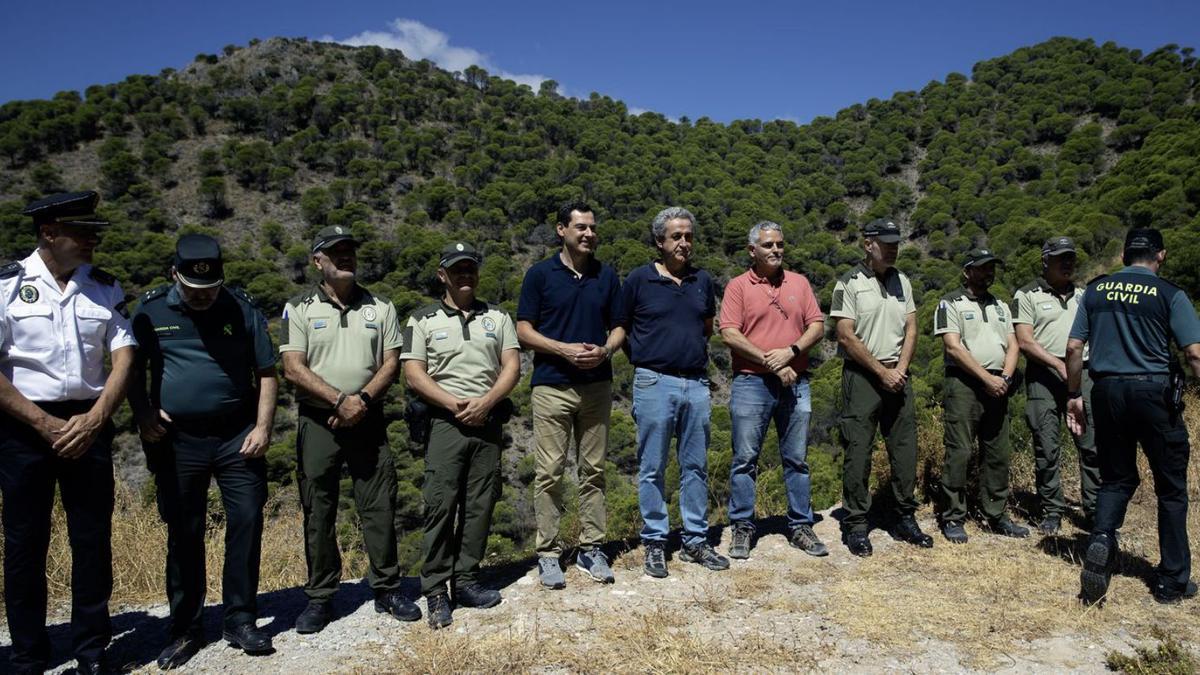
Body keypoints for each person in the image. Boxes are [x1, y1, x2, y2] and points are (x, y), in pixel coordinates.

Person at [0, 191, 135, 674]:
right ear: (48, 233)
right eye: (82, 232)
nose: (92, 240)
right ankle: (28, 654)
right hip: (22, 426)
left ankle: (92, 652)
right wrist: (40, 421)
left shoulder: (103, 286)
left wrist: (97, 418)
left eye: (94, 231)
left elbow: (124, 356)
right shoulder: (7, 285)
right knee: (24, 543)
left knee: (92, 540)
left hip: (88, 421)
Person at [129, 234, 277, 665]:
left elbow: (266, 373)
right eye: (194, 290)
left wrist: (264, 427)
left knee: (246, 522)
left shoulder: (241, 306)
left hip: (238, 434)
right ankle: (185, 628)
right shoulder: (151, 309)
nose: (203, 297)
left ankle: (240, 619)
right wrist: (143, 414)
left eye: (211, 289)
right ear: (175, 275)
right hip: (178, 439)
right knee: (184, 531)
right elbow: (130, 370)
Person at [280, 225, 419, 633]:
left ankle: (388, 589)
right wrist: (340, 401)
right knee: (318, 509)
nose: (345, 257)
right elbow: (292, 366)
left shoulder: (382, 307)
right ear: (317, 260)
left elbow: (391, 362)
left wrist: (361, 402)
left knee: (379, 505)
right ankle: (321, 598)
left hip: (368, 417)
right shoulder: (300, 307)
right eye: (335, 252)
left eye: (349, 251)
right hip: (319, 419)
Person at [1068, 228, 1200, 605]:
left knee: (1116, 478)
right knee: (1171, 487)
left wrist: (1075, 394)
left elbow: (1075, 346)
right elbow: (1193, 354)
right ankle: (1172, 581)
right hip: (1153, 392)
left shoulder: (1096, 290)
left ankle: (1102, 542)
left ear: (1125, 255)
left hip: (1106, 391)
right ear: (1161, 255)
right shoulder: (1170, 293)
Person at [401, 242, 520, 629]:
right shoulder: (422, 319)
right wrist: (455, 404)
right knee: (440, 504)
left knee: (480, 504)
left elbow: (511, 367)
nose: (464, 276)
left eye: (470, 269)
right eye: (457, 270)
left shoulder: (498, 317)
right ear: (442, 275)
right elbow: (414, 373)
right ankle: (436, 589)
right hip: (445, 422)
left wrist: (486, 402)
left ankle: (466, 580)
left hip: (487, 420)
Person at [616, 206, 728, 578]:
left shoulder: (701, 281)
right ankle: (655, 542)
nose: (684, 243)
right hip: (653, 381)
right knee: (652, 467)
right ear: (659, 241)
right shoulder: (638, 280)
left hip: (695, 383)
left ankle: (695, 540)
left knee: (694, 465)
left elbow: (706, 327)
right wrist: (647, 360)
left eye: (689, 236)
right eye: (676, 236)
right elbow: (622, 328)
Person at [516, 202, 624, 589]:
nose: (589, 234)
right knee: (550, 473)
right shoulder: (540, 275)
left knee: (593, 470)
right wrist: (562, 349)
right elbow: (523, 330)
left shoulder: (607, 276)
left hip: (597, 386)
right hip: (552, 385)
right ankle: (548, 553)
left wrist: (606, 351)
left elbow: (619, 327)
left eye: (593, 227)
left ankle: (592, 548)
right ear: (561, 230)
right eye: (581, 227)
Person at [719, 221, 827, 559]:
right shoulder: (738, 287)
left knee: (796, 459)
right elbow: (729, 333)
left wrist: (791, 353)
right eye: (768, 245)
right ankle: (742, 527)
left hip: (796, 382)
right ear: (753, 250)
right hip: (751, 382)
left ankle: (800, 525)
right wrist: (774, 364)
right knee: (744, 459)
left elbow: (817, 325)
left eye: (780, 244)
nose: (776, 250)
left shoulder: (799, 283)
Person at [830, 218, 933, 557]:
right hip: (863, 376)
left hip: (898, 374)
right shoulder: (849, 283)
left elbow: (912, 327)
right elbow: (845, 334)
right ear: (867, 244)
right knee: (858, 450)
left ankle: (904, 516)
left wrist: (900, 369)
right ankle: (857, 524)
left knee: (904, 450)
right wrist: (880, 371)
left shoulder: (902, 280)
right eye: (885, 242)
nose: (892, 248)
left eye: (895, 243)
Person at [934, 248, 1029, 543]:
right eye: (982, 268)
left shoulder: (1002, 305)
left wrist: (1005, 377)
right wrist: (987, 378)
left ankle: (996, 514)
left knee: (997, 451)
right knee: (960, 451)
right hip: (965, 383)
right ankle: (953, 516)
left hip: (998, 382)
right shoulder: (950, 302)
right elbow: (953, 347)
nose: (989, 273)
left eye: (992, 268)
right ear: (967, 271)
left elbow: (1013, 344)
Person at [1013, 236, 1099, 535]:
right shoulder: (1027, 295)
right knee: (1046, 446)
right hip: (1043, 376)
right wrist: (1059, 364)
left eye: (1071, 258)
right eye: (1061, 258)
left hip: (1084, 373)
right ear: (1045, 261)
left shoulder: (1085, 295)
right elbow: (1024, 341)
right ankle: (1052, 509)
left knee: (1090, 444)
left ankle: (1095, 509)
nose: (1067, 263)